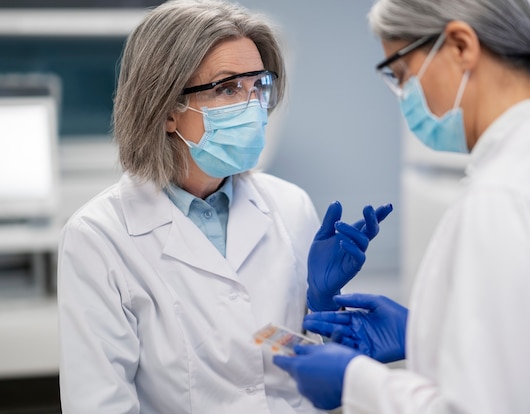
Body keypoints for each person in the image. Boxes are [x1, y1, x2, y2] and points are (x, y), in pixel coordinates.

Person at [273, 0, 530, 412]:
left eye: (401, 74)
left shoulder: (507, 197)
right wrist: (426, 332)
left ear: (460, 45)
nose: (403, 97)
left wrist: (354, 381)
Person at [56, 0, 391, 412]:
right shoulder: (98, 237)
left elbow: (312, 372)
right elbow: (100, 403)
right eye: (228, 88)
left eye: (258, 87)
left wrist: (322, 307)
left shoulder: (290, 206)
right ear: (166, 111)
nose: (252, 107)